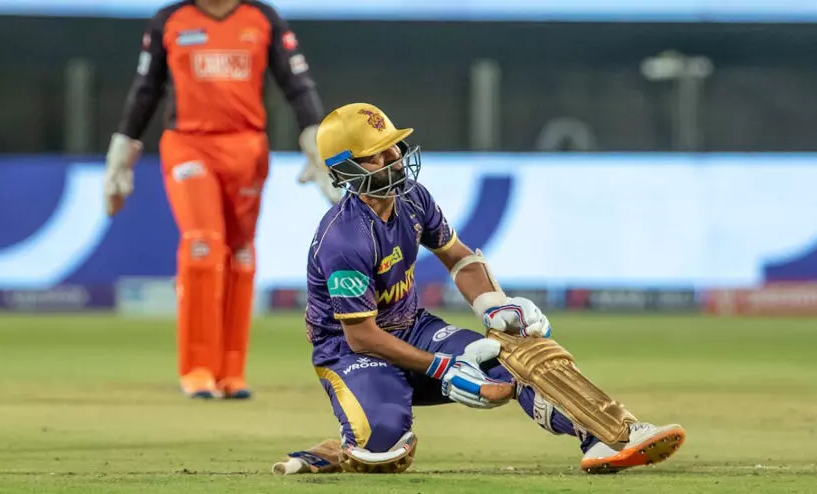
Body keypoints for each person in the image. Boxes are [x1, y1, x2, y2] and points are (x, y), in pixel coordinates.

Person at [274, 102, 686, 475]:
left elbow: (458, 256)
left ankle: (609, 435)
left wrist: (493, 305)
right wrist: (442, 367)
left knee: (516, 354)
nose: (394, 160)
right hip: (350, 352)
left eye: (393, 147)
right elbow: (361, 336)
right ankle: (345, 447)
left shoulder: (414, 198)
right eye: (376, 155)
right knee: (383, 452)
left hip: (412, 327)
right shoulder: (344, 239)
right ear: (347, 170)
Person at [103, 0, 342, 400]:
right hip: (188, 145)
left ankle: (231, 372)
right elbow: (146, 89)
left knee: (241, 254)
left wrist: (315, 142)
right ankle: (197, 369)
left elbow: (297, 84)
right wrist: (121, 155)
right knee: (202, 245)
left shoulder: (262, 18)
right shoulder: (170, 20)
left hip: (247, 149)